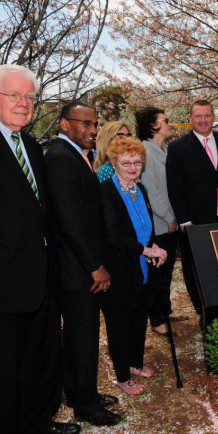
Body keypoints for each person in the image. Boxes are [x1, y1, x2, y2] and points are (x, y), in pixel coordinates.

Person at [0, 65, 77, 434]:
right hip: (6, 282)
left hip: (42, 276)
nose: (23, 104)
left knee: (39, 360)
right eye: (13, 95)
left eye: (29, 97)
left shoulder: (30, 144)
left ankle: (37, 423)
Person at [45, 102, 120, 426]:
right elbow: (69, 220)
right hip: (77, 270)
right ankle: (87, 407)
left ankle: (79, 392)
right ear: (64, 124)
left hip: (81, 265)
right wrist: (94, 266)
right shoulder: (60, 158)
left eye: (95, 123)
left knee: (80, 337)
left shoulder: (76, 155)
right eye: (85, 123)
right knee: (84, 337)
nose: (92, 129)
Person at [100, 136, 167, 395]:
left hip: (142, 265)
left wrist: (154, 246)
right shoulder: (106, 190)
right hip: (118, 268)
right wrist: (144, 249)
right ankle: (122, 376)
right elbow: (113, 233)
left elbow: (146, 226)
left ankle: (135, 363)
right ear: (115, 162)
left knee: (139, 315)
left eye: (137, 163)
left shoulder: (142, 189)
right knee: (120, 323)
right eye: (126, 162)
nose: (132, 167)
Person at [166, 99, 218, 324]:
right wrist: (184, 219)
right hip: (194, 219)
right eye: (198, 116)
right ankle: (203, 308)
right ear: (190, 119)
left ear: (213, 117)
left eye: (207, 115)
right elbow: (174, 188)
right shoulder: (178, 147)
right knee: (197, 265)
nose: (203, 120)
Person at [137, 107, 187, 338]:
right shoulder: (145, 151)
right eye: (165, 120)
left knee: (167, 271)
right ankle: (156, 319)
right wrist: (169, 217)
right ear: (153, 126)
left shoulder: (165, 149)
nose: (169, 124)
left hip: (171, 220)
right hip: (159, 223)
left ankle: (165, 309)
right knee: (158, 273)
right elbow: (151, 191)